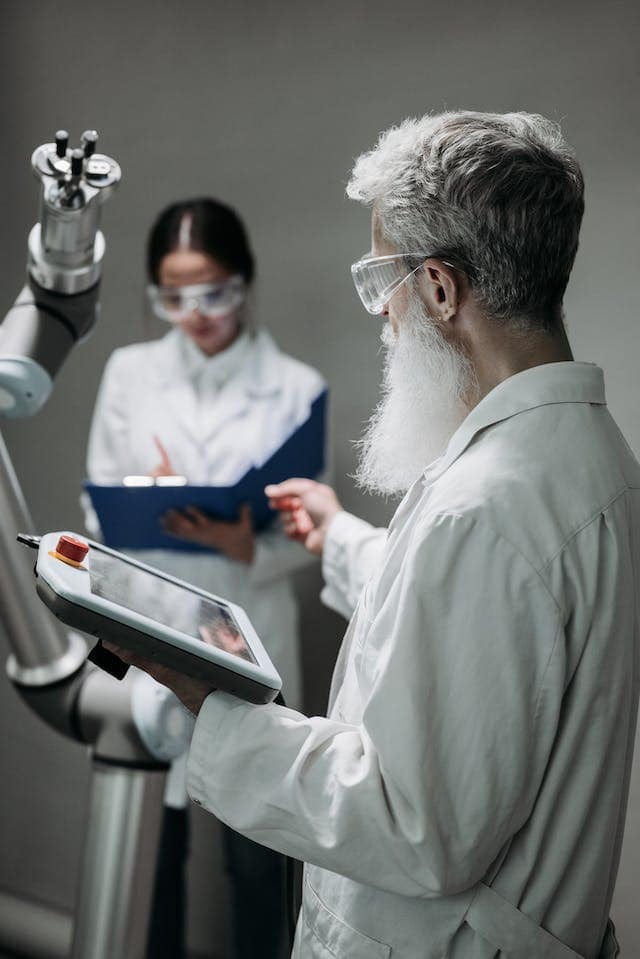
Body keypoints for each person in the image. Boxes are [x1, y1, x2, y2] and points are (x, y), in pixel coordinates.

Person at [105, 113, 639, 958]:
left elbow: (411, 822)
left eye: (382, 279)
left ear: (437, 289)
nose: (383, 316)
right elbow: (476, 623)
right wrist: (339, 535)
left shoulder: (486, 506)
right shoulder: (585, 452)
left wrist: (217, 713)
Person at [85, 197, 326, 959]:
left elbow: (310, 530)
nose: (197, 312)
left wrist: (243, 543)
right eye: (174, 295)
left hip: (246, 628)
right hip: (145, 623)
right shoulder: (129, 371)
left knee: (256, 855)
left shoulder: (296, 387)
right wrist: (148, 497)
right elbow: (96, 509)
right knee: (144, 845)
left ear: (246, 281)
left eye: (215, 290)